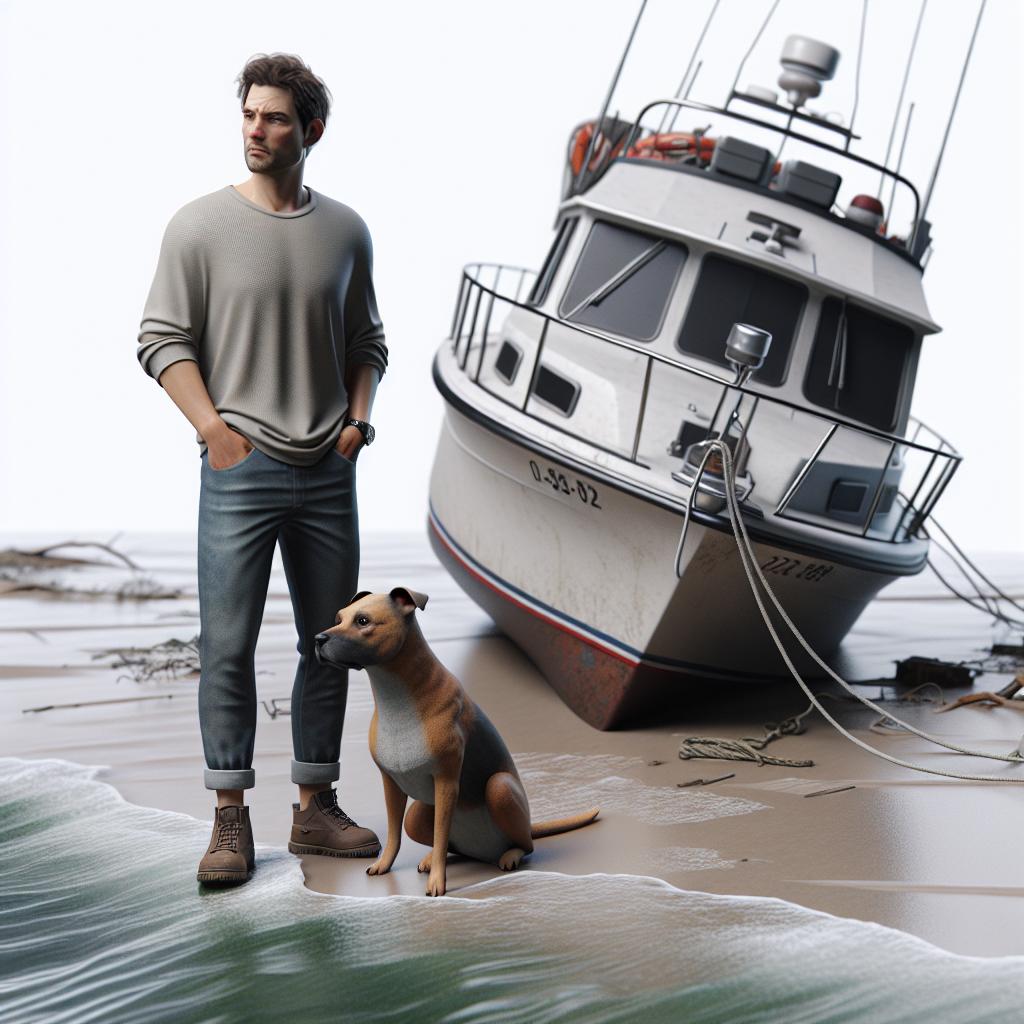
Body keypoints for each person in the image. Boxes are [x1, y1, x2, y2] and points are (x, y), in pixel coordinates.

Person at [137, 53, 387, 886]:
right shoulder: (197, 227)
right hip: (238, 467)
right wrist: (214, 432)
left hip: (328, 471)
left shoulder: (347, 229)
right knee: (228, 646)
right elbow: (161, 340)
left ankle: (316, 809)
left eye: (275, 118)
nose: (255, 129)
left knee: (331, 647)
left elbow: (367, 344)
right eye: (249, 114)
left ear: (310, 131)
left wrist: (357, 423)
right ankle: (230, 818)